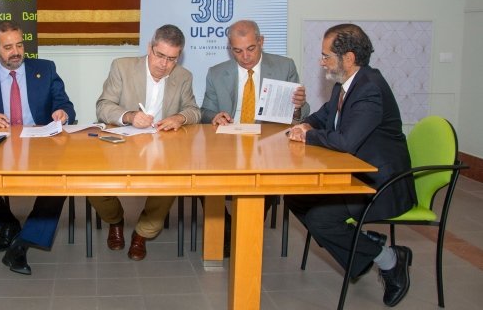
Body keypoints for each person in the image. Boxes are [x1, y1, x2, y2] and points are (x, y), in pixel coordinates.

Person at [285, 23, 416, 307]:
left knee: (321, 219)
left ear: (349, 58)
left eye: (326, 56)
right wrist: (307, 124)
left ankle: (390, 259)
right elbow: (323, 117)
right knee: (293, 196)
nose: (322, 62)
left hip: (380, 182)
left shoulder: (370, 89)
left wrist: (308, 136)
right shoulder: (345, 85)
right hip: (356, 172)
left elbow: (345, 141)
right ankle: (364, 244)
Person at [0, 20, 76, 275]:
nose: (15, 52)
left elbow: (65, 104)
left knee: (60, 181)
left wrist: (62, 113)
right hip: (1, 144)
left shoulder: (45, 69)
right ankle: (8, 225)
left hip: (40, 142)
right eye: (7, 47)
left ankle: (22, 243)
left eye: (19, 45)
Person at [90, 24, 201, 261]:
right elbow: (103, 106)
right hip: (121, 143)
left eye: (171, 59)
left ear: (178, 57)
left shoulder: (183, 76)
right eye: (160, 55)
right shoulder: (123, 66)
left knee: (170, 184)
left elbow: (194, 110)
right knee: (93, 184)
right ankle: (115, 220)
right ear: (150, 48)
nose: (164, 64)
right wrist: (129, 116)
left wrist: (179, 118)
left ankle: (142, 233)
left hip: (163, 147)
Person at [200, 20, 310, 256]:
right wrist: (215, 116)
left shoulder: (284, 66)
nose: (245, 57)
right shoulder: (217, 73)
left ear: (261, 41)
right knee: (200, 175)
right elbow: (204, 111)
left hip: (267, 142)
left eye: (251, 48)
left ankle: (247, 226)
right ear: (230, 48)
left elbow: (301, 115)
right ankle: (230, 228)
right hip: (228, 141)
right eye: (237, 51)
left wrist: (298, 107)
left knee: (269, 175)